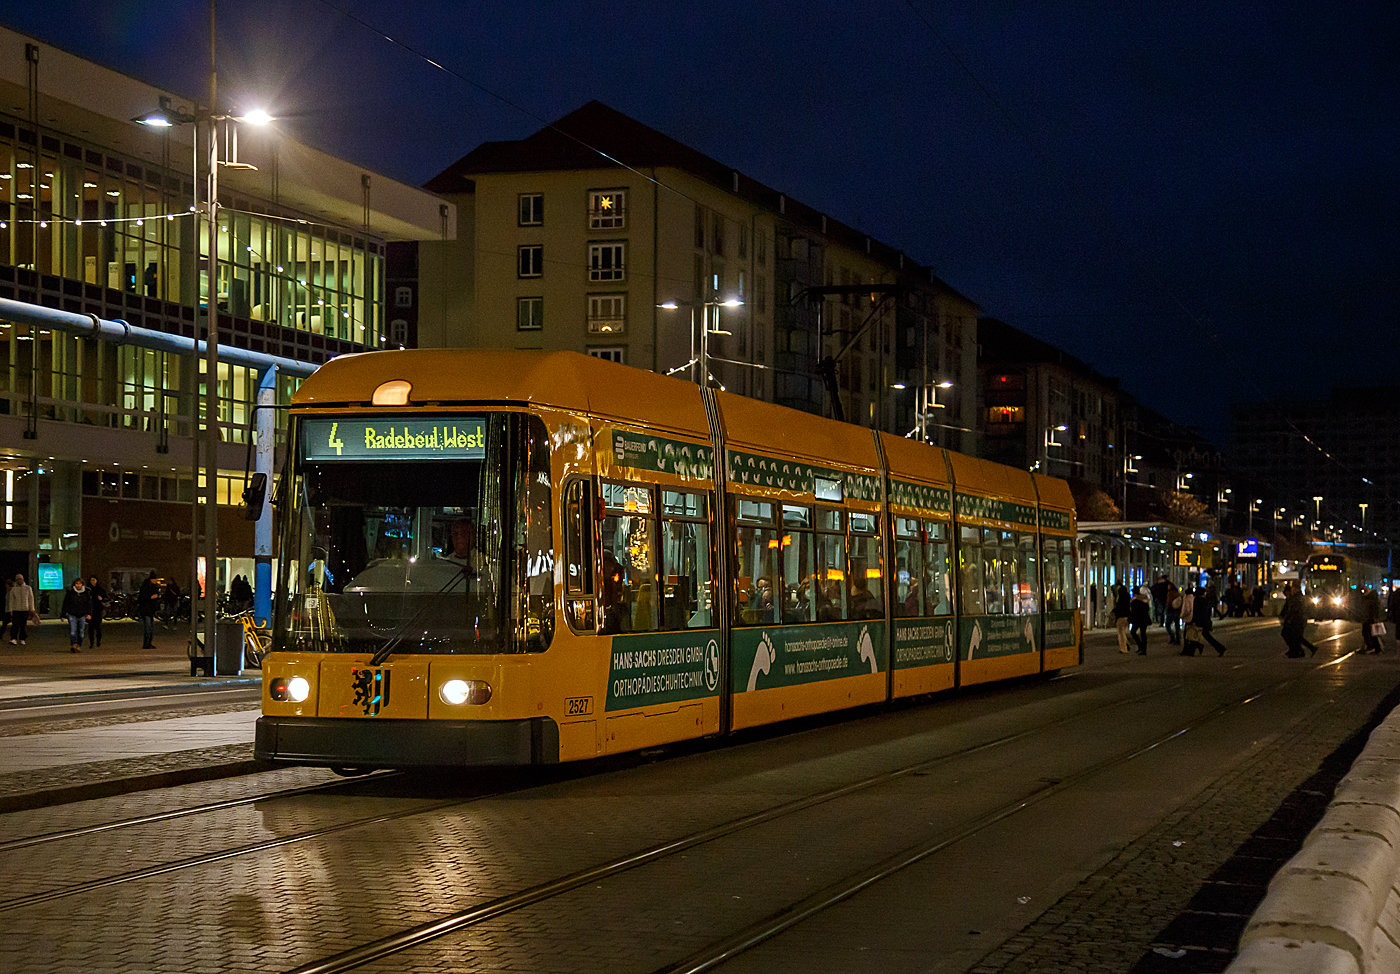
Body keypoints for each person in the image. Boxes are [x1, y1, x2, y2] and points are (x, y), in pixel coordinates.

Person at [1279, 582, 1317, 658]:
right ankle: (1300, 650)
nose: (1292, 589)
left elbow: (1295, 609)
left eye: (1293, 588)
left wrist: (1289, 617)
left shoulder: (1297, 597)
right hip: (1297, 619)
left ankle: (1298, 651)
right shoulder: (1296, 597)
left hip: (1297, 619)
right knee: (1296, 636)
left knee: (1294, 636)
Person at [1193, 583, 1228, 656]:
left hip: (1200, 621)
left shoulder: (1197, 601)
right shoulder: (1205, 600)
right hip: (1205, 621)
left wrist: (1194, 620)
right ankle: (1219, 648)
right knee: (1204, 635)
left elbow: (1196, 612)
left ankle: (1219, 648)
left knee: (1200, 635)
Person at [62, 576, 92, 653]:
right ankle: (74, 644)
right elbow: (65, 603)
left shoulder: (86, 593)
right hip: (72, 614)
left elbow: (89, 604)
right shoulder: (70, 593)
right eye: (76, 584)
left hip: (82, 615)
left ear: (82, 585)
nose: (78, 585)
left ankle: (79, 645)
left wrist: (89, 613)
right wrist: (63, 615)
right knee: (73, 631)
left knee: (81, 632)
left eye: (80, 584)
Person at [7, 572, 35, 645]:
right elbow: (11, 600)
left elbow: (30, 599)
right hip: (16, 609)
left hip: (25, 609)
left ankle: (22, 639)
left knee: (23, 625)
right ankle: (13, 638)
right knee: (15, 624)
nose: (20, 581)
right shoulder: (13, 589)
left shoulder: (28, 588)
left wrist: (32, 609)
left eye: (21, 579)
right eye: (18, 579)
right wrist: (10, 610)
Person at [137, 571, 161, 648]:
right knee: (148, 628)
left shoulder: (154, 587)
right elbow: (141, 598)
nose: (155, 581)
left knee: (150, 628)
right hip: (146, 610)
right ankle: (146, 644)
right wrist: (151, 597)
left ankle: (148, 643)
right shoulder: (146, 588)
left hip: (150, 610)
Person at [1128, 586, 1152, 654]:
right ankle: (1143, 648)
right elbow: (1147, 608)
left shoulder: (1134, 601)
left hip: (1138, 619)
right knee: (1143, 633)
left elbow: (1133, 611)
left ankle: (1140, 646)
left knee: (1133, 632)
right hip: (1144, 618)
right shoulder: (1144, 599)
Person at [1361, 586, 1384, 654]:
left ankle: (1374, 647)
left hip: (1370, 618)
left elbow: (1374, 609)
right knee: (1370, 633)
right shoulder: (1370, 598)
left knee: (1371, 633)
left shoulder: (1372, 598)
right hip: (1368, 618)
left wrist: (1375, 618)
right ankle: (1374, 647)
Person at [87, 574, 107, 648]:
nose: (92, 582)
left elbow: (106, 598)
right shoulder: (88, 590)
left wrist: (102, 599)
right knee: (91, 628)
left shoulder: (100, 589)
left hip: (98, 610)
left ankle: (98, 641)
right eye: (91, 580)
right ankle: (91, 642)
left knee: (98, 627)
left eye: (94, 580)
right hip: (90, 610)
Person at [1179, 587, 1201, 655]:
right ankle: (1192, 648)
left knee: (1186, 635)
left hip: (1188, 618)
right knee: (1191, 634)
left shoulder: (1186, 599)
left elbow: (1187, 610)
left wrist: (1182, 615)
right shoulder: (1193, 598)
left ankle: (1187, 650)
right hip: (1193, 618)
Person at [1111, 585, 1131, 654]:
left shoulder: (1120, 599)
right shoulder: (1127, 597)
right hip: (1126, 616)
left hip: (1120, 616)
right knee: (1123, 631)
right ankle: (1126, 644)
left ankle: (1123, 648)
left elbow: (1119, 607)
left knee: (1120, 632)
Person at [1164, 578, 1183, 645]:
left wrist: (1167, 609)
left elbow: (1168, 603)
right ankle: (1178, 639)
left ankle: (1172, 637)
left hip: (1171, 610)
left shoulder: (1170, 594)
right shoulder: (1178, 594)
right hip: (1177, 610)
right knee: (1177, 625)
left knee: (1168, 625)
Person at [1388, 585, 1400, 653]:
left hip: (1398, 616)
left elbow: (1391, 605)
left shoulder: (1395, 594)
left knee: (1398, 630)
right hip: (1397, 615)